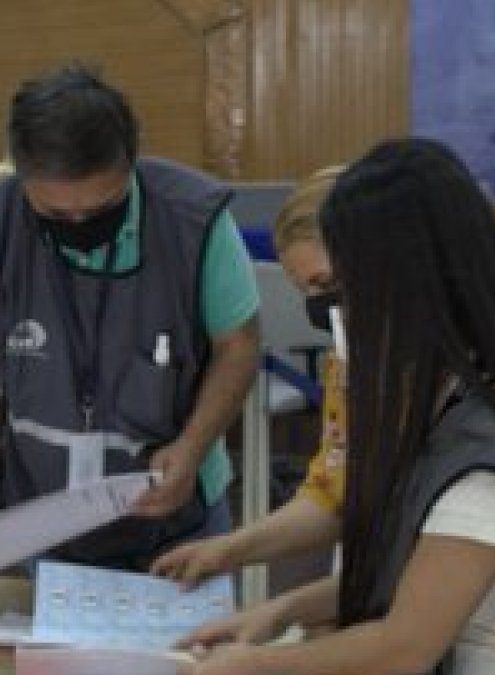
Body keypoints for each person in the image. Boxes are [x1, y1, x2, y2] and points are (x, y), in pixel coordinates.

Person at [0, 63, 260, 618]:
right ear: (21, 176)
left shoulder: (194, 224)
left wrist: (194, 445)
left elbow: (239, 345)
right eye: (57, 214)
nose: (80, 223)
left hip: (180, 523)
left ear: (131, 165)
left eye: (102, 209)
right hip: (45, 526)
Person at [185, 138, 495, 675]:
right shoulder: (448, 405)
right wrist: (284, 610)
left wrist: (255, 665)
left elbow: (405, 644)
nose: (335, 317)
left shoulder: (485, 459)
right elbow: (408, 573)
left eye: (343, 290)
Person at [150, 166, 347, 608]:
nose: (323, 307)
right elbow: (333, 493)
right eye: (306, 292)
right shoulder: (347, 363)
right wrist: (229, 550)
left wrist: (280, 617)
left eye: (328, 285)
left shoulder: (460, 387)